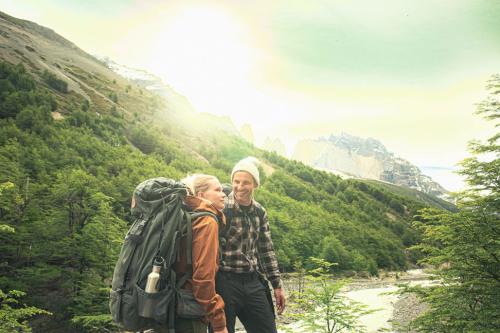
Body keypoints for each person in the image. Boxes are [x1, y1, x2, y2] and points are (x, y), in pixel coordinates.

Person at [216, 157, 286, 333]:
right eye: (236, 181)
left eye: (245, 182)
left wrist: (277, 285)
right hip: (225, 281)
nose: (240, 187)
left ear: (255, 184)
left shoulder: (259, 212)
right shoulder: (221, 208)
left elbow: (266, 250)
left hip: (252, 280)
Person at [156, 174, 229, 333]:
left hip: (164, 306)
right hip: (188, 314)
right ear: (201, 195)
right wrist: (219, 323)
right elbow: (203, 279)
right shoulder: (206, 221)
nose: (224, 194)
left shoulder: (184, 216)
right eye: (218, 190)